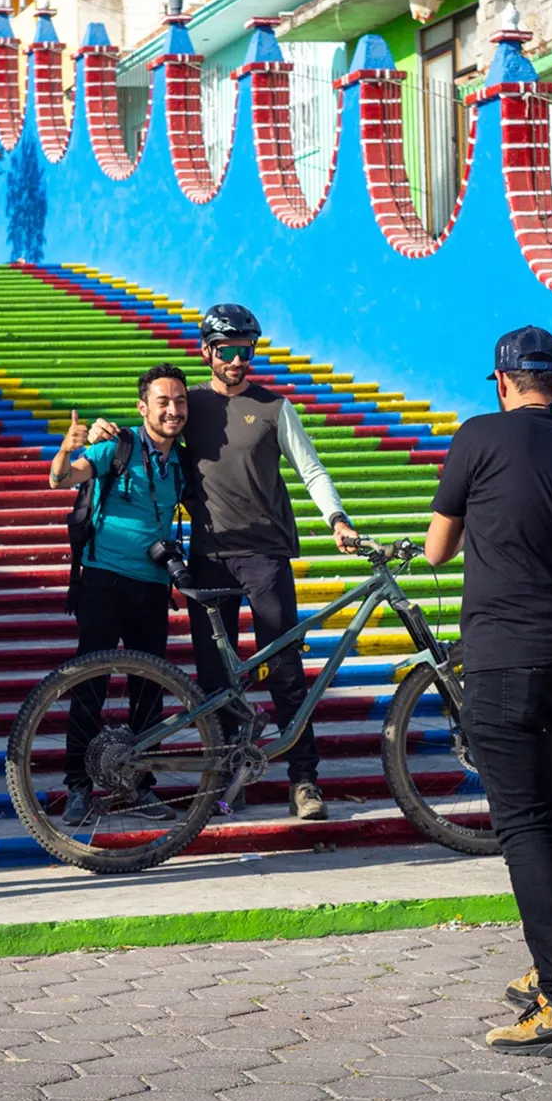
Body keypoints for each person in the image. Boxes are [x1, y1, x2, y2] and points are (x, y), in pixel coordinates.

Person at [424, 325, 552, 1057]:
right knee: (542, 816)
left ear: (501, 383)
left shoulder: (479, 435)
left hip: (508, 654)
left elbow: (438, 546)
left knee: (523, 823)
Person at [90, 305, 358, 821]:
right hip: (208, 559)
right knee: (215, 677)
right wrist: (107, 430)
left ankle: (304, 780)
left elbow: (312, 470)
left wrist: (337, 519)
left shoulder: (275, 408)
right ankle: (225, 780)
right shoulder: (189, 407)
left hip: (266, 557)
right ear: (207, 351)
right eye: (228, 350)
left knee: (284, 667)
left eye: (246, 350)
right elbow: (151, 432)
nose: (238, 360)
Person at [49, 363, 191, 827]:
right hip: (103, 580)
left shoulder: (182, 461)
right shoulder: (118, 445)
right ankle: (76, 787)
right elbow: (62, 480)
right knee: (90, 683)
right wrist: (66, 450)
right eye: (163, 401)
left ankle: (140, 785)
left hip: (153, 587)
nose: (172, 410)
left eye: (179, 400)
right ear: (143, 407)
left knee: (148, 691)